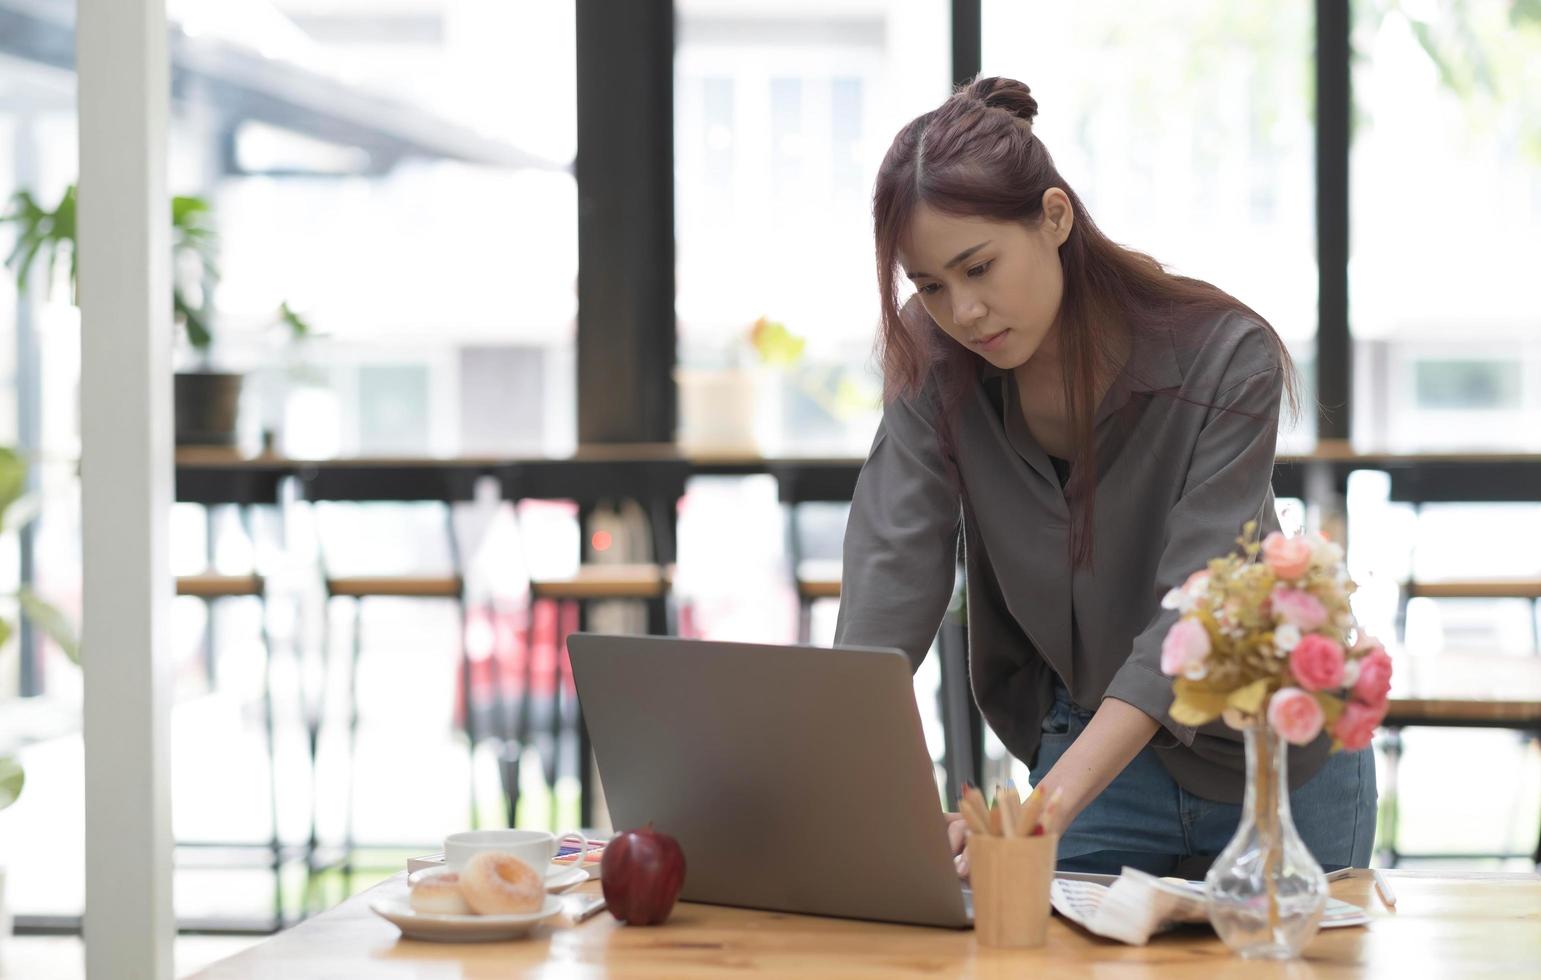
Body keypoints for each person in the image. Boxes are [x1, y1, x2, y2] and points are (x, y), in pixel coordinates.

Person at [834, 76, 1376, 877]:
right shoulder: (935, 361)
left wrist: (1035, 813)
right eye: (930, 285)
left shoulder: (1223, 357)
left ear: (1054, 218)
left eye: (979, 267)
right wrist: (853, 800)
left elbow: (1189, 617)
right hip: (1092, 759)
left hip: (1274, 764)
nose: (964, 312)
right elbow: (890, 575)